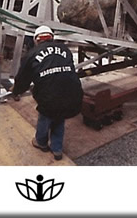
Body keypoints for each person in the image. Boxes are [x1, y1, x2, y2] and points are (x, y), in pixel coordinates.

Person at [11, 26, 83, 161]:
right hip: (73, 96)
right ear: (52, 37)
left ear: (36, 40)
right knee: (59, 116)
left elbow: (23, 79)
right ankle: (57, 148)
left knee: (46, 115)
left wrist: (16, 91)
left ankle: (41, 142)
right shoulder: (65, 50)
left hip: (49, 99)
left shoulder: (31, 54)